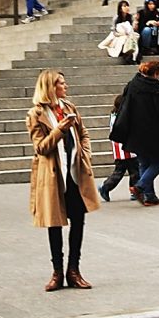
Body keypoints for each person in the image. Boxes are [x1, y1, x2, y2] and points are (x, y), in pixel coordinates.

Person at [28, 69, 99, 290]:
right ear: (50, 87)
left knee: (78, 221)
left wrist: (85, 153)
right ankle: (57, 272)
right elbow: (41, 147)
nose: (65, 86)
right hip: (53, 176)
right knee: (55, 223)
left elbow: (83, 133)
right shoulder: (36, 114)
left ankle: (74, 270)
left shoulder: (69, 107)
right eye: (61, 83)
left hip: (74, 173)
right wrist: (59, 129)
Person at [113, 59, 159, 206]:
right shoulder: (154, 87)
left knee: (144, 162)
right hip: (153, 131)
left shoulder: (132, 84)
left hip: (134, 131)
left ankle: (149, 196)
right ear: (155, 73)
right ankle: (140, 186)